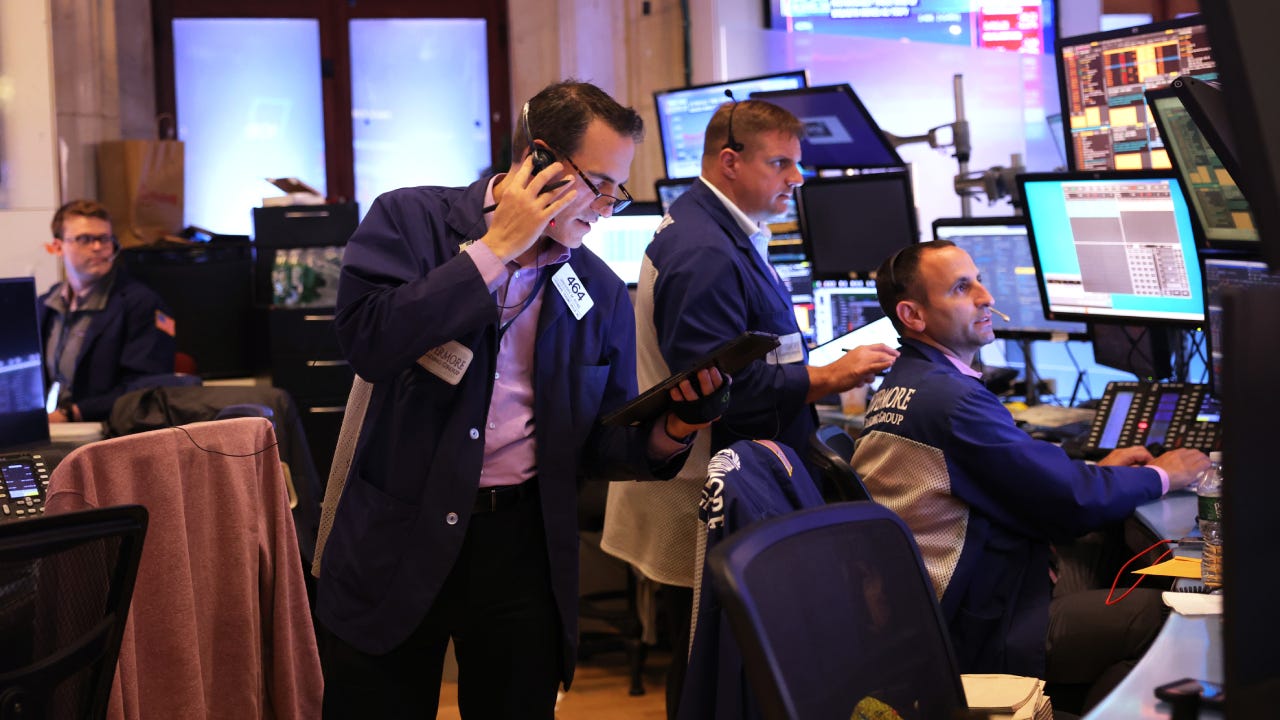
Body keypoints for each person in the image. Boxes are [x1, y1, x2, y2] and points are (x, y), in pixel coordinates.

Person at [315, 80, 726, 719]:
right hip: (399, 530)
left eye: (619, 191)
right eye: (600, 184)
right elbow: (370, 341)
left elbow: (596, 444)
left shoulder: (597, 289)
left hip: (521, 545)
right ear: (538, 161)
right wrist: (494, 250)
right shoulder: (410, 220)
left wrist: (675, 425)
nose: (609, 207)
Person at [601, 99, 898, 717]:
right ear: (730, 161)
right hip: (703, 485)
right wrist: (832, 374)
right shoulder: (704, 250)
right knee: (707, 658)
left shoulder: (719, 228)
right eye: (782, 163)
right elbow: (720, 393)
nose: (797, 178)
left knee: (722, 654)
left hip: (728, 476)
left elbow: (752, 349)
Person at [851, 240, 1210, 711]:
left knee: (1108, 552)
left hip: (956, 602)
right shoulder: (951, 401)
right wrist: (1164, 475)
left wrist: (1093, 472)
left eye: (978, 279)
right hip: (979, 628)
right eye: (962, 288)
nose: (986, 296)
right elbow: (1070, 501)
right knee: (1167, 615)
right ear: (913, 316)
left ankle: (1081, 692)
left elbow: (1018, 478)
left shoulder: (910, 383)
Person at [37, 199, 176, 423]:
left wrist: (72, 413)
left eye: (104, 239)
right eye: (84, 239)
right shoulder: (46, 303)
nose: (97, 247)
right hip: (51, 424)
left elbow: (147, 386)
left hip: (108, 429)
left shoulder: (142, 303)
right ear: (57, 247)